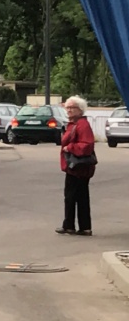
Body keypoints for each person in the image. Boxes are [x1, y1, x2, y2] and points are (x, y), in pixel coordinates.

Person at [56, 96, 96, 236]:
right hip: (75, 166)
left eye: (72, 107)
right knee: (79, 196)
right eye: (67, 107)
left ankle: (70, 226)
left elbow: (87, 145)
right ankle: (83, 227)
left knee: (72, 196)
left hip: (78, 166)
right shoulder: (74, 124)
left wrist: (70, 147)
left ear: (80, 109)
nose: (69, 110)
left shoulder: (82, 125)